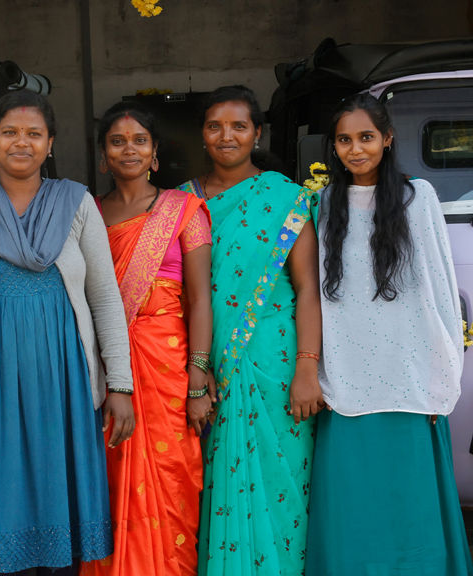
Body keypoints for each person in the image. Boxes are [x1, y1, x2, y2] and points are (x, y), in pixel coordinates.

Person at [0, 90, 135, 576]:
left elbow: (104, 297)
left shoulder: (76, 203)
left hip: (66, 387)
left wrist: (120, 384)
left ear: (51, 143)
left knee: (63, 510)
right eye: (10, 133)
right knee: (1, 516)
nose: (22, 143)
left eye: (34, 133)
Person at [306, 93, 473, 575]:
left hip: (410, 375)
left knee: (409, 508)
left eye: (366, 137)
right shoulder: (325, 202)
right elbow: (319, 293)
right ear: (332, 146)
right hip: (347, 380)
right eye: (344, 139)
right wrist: (318, 367)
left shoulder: (416, 196)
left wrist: (442, 374)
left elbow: (439, 288)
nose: (355, 149)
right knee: (352, 506)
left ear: (387, 138)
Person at [178, 85, 324, 576]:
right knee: (213, 487)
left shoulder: (286, 198)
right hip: (200, 367)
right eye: (215, 125)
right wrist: (192, 370)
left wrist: (308, 368)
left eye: (239, 126)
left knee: (280, 486)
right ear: (202, 133)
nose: (227, 136)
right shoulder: (177, 204)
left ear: (256, 133)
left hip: (275, 365)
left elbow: (307, 288)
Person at [80, 101, 213, 576]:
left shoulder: (184, 211)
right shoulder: (88, 216)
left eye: (140, 140)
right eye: (117, 141)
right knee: (109, 482)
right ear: (103, 156)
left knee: (173, 480)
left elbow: (200, 301)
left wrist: (197, 381)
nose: (129, 149)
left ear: (155, 152)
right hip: (106, 369)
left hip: (168, 369)